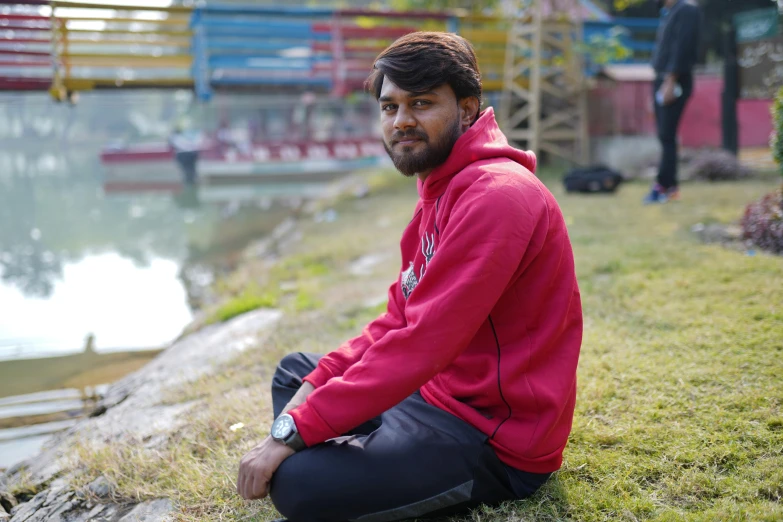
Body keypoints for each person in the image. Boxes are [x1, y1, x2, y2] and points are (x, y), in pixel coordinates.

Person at [236, 32, 583, 522]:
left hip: (489, 436)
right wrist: (297, 420)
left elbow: (421, 341)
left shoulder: (497, 196)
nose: (401, 121)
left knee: (297, 486)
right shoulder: (441, 188)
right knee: (297, 372)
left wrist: (291, 434)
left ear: (466, 110)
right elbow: (396, 321)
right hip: (433, 391)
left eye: (421, 103)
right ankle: (361, 451)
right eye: (389, 106)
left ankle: (354, 458)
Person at [645, 0, 702, 204]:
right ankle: (670, 186)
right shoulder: (670, 11)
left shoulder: (687, 9)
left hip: (674, 80)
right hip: (662, 79)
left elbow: (682, 47)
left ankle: (664, 186)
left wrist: (670, 81)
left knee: (667, 136)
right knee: (665, 136)